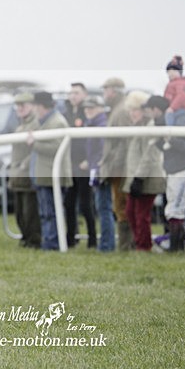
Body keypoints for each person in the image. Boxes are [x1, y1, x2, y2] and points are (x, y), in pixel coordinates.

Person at [145, 95, 185, 251]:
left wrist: (170, 139)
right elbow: (171, 150)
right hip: (176, 170)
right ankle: (178, 244)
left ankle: (177, 246)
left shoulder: (182, 122)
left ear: (156, 109)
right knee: (173, 210)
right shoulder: (166, 123)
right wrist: (159, 142)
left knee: (176, 210)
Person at [27, 91, 72, 251]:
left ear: (41, 106)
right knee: (46, 212)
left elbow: (56, 148)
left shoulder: (57, 122)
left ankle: (52, 243)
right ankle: (50, 241)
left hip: (52, 175)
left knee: (51, 213)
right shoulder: (42, 122)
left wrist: (34, 144)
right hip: (44, 174)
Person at [122, 91, 166, 251]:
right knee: (130, 212)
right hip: (136, 177)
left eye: (136, 110)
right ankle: (140, 243)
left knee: (141, 215)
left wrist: (138, 178)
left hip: (146, 178)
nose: (132, 113)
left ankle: (144, 246)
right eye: (131, 110)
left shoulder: (151, 127)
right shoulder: (137, 128)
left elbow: (150, 156)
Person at [99, 77, 133, 250]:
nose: (104, 93)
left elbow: (124, 142)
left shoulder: (122, 110)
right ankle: (125, 245)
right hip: (119, 165)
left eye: (106, 90)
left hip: (121, 167)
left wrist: (115, 165)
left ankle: (127, 245)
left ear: (114, 91)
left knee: (123, 206)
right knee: (120, 206)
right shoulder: (117, 109)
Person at [61, 82, 95, 248]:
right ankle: (71, 238)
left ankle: (92, 239)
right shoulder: (66, 113)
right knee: (68, 203)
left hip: (83, 165)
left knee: (85, 204)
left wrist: (88, 159)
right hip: (69, 164)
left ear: (84, 95)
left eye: (76, 92)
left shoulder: (87, 112)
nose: (73, 96)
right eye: (71, 92)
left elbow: (90, 140)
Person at [81, 95, 115, 252]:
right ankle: (106, 243)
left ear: (100, 109)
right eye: (86, 108)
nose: (88, 111)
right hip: (97, 168)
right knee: (103, 207)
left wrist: (97, 164)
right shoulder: (94, 123)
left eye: (91, 108)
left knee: (104, 208)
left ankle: (107, 245)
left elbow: (103, 150)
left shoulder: (100, 124)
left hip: (101, 170)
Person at [9, 92, 40, 248]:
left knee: (30, 211)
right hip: (17, 174)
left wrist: (25, 164)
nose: (20, 109)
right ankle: (25, 237)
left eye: (23, 105)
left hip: (27, 173)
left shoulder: (35, 124)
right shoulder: (20, 125)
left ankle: (33, 240)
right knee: (20, 211)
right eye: (18, 106)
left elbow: (35, 149)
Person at [163, 55, 185, 126]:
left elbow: (181, 96)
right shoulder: (173, 84)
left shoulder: (181, 83)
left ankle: (170, 133)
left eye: (174, 71)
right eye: (169, 71)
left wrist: (172, 108)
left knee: (169, 115)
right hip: (178, 108)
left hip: (180, 108)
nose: (171, 73)